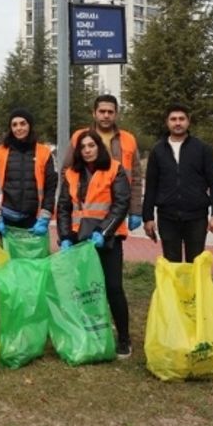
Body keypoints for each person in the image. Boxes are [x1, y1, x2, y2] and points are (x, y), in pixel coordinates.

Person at [56, 131, 133, 358]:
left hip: (107, 240)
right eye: (83, 147)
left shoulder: (114, 169)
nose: (88, 150)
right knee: (86, 290)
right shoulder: (71, 173)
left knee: (113, 288)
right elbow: (64, 208)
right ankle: (92, 332)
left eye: (92, 145)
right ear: (78, 151)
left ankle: (124, 338)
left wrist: (104, 232)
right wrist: (65, 236)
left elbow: (121, 203)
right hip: (79, 242)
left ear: (99, 147)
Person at [140, 104, 213, 262]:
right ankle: (175, 288)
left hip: (196, 217)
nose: (177, 123)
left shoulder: (202, 149)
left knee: (196, 263)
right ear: (167, 122)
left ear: (188, 121)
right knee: (172, 265)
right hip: (167, 217)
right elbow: (151, 186)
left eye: (181, 119)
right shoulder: (158, 151)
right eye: (173, 119)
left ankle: (194, 288)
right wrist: (148, 217)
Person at [65, 95, 144, 241]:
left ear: (116, 114)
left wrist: (136, 210)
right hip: (85, 212)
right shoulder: (80, 137)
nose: (106, 115)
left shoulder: (128, 139)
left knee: (112, 253)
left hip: (117, 210)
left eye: (110, 112)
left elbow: (136, 178)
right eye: (102, 111)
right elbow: (67, 172)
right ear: (94, 113)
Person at [0, 107, 57, 240]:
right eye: (14, 124)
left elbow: (50, 187)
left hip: (34, 219)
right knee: (9, 258)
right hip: (6, 218)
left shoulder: (44, 152)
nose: (19, 128)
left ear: (30, 125)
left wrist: (45, 216)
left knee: (32, 260)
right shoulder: (0, 152)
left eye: (23, 123)